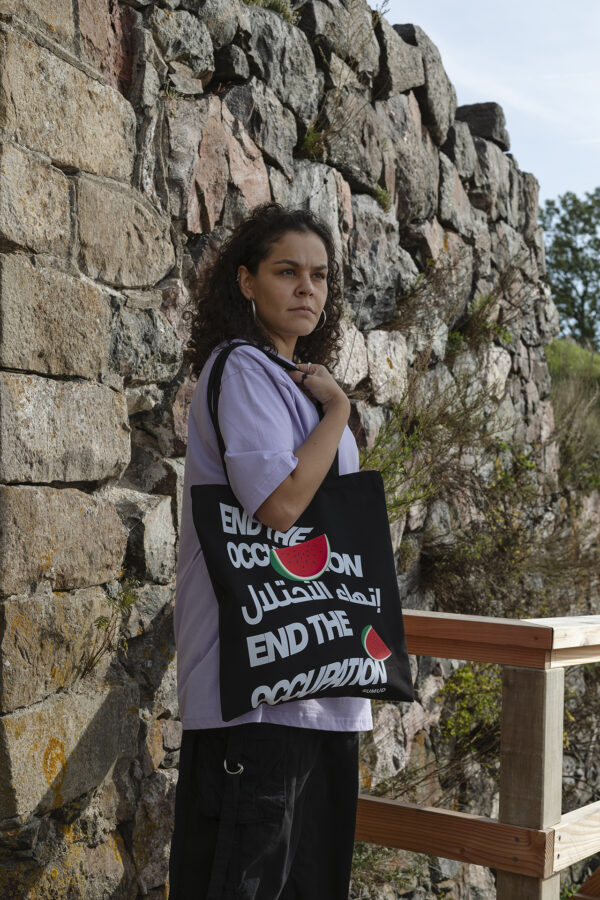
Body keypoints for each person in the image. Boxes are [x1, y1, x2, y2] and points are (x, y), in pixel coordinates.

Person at [169, 203, 373, 900]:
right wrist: (342, 413)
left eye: (318, 275)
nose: (307, 288)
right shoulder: (243, 370)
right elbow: (280, 505)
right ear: (246, 281)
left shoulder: (303, 387)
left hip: (321, 683)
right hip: (255, 694)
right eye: (287, 271)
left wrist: (330, 408)